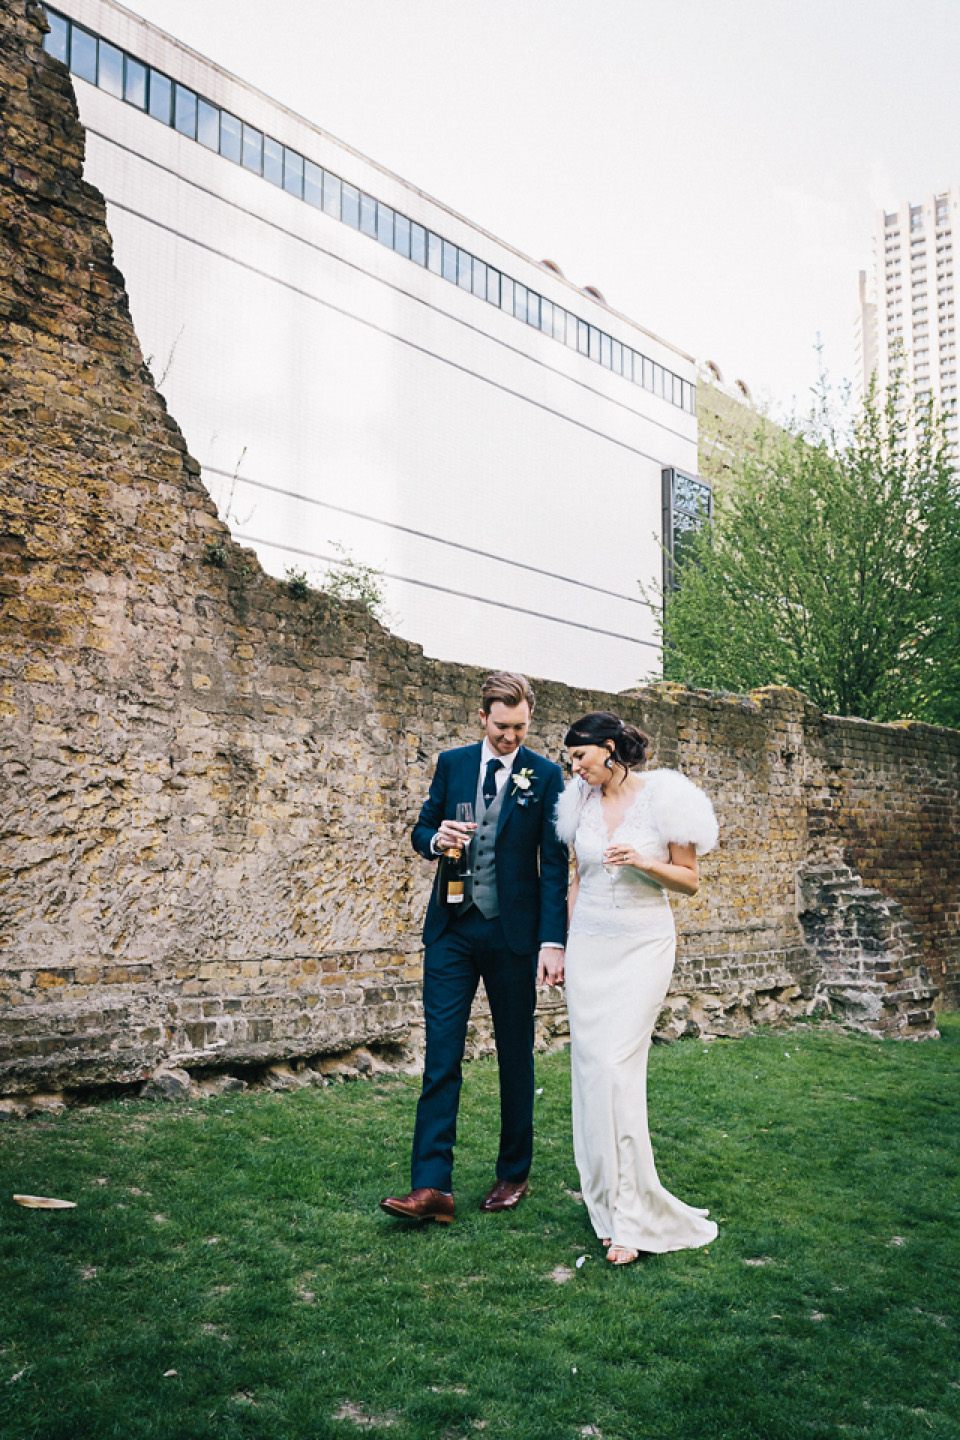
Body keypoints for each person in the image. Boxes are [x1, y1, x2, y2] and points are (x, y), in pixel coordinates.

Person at [380, 672, 568, 1224]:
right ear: (482, 718)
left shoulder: (546, 775)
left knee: (514, 1054)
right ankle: (431, 1187)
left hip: (514, 936)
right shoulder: (453, 764)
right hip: (452, 931)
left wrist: (551, 941)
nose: (511, 736)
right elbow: (419, 831)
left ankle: (513, 1172)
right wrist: (437, 840)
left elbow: (553, 868)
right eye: (502, 726)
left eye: (520, 727)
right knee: (441, 1055)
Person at [555, 710, 719, 1265]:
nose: (573, 766)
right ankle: (604, 1205)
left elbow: (690, 882)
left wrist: (644, 862)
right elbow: (577, 878)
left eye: (579, 756)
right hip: (589, 947)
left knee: (616, 1070)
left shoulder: (667, 798)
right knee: (588, 1071)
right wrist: (561, 944)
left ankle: (632, 1219)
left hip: (642, 946)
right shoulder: (577, 800)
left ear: (607, 748)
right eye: (570, 758)